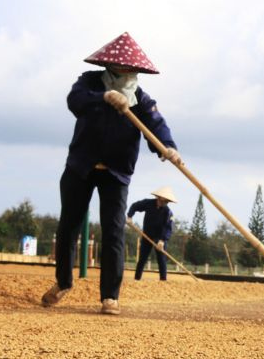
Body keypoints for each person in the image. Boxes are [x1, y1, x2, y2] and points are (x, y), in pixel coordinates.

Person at [42, 32, 182, 316]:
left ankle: (110, 296)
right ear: (112, 66)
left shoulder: (141, 100)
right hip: (80, 167)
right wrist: (104, 97)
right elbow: (75, 101)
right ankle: (63, 282)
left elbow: (157, 124)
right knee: (68, 225)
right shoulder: (90, 83)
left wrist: (169, 147)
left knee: (114, 231)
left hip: (116, 173)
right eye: (124, 68)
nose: (129, 72)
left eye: (134, 69)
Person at [128, 186, 176, 281]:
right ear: (158, 198)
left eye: (166, 202)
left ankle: (163, 280)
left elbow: (169, 227)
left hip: (160, 238)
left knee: (161, 260)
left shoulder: (168, 212)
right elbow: (135, 206)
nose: (163, 203)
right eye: (162, 201)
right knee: (142, 259)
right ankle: (137, 279)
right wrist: (130, 216)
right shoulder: (148, 203)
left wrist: (162, 240)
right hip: (147, 235)